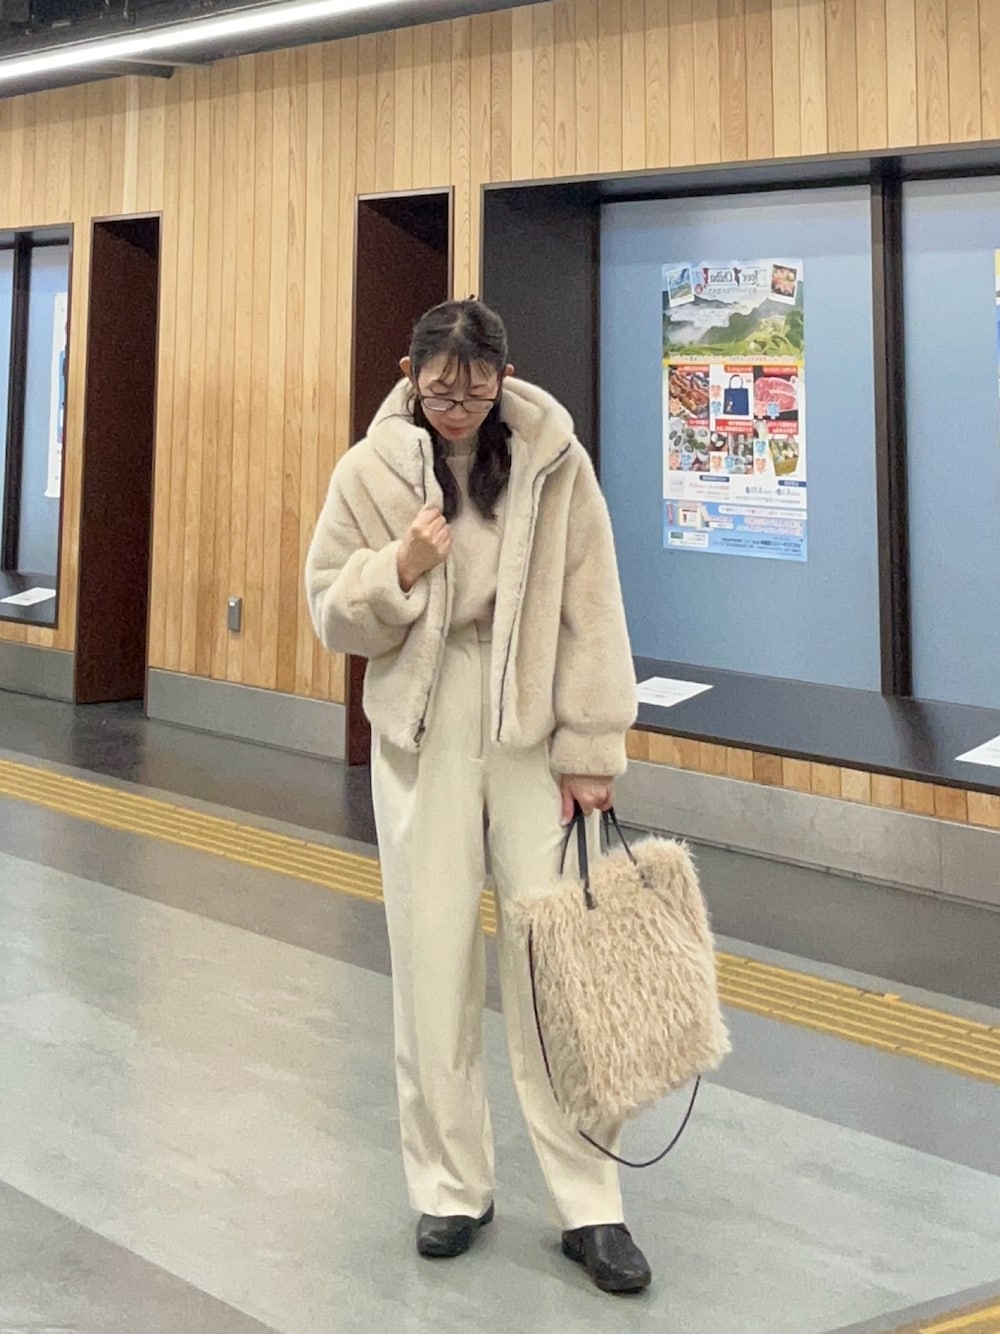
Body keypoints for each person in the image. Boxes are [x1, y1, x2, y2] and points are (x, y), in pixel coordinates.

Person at [305, 299, 650, 1295]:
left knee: (559, 962)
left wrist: (594, 744)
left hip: (532, 719)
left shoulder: (555, 460)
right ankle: (450, 1185)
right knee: (432, 956)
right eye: (439, 388)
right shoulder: (367, 470)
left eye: (474, 387)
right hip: (425, 721)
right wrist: (397, 569)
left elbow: (594, 606)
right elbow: (331, 611)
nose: (456, 405)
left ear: (504, 376)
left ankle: (591, 1202)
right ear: (408, 373)